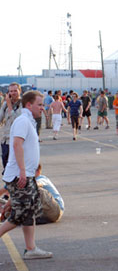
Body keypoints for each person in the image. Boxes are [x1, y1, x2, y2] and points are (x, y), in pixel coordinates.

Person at [0, 90, 53, 259]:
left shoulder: (29, 121)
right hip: (20, 176)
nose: (42, 108)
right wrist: (23, 171)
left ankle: (31, 249)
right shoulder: (23, 120)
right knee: (19, 215)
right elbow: (16, 145)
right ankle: (30, 249)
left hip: (27, 175)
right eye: (39, 104)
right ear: (29, 105)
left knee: (29, 212)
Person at [1, 163, 65, 225]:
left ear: (37, 171)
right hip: (43, 213)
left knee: (33, 189)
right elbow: (3, 190)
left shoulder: (42, 178)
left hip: (56, 211)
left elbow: (38, 184)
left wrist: (9, 203)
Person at [0, 83, 22, 169]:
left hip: (17, 141)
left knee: (16, 168)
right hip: (6, 140)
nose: (13, 93)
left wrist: (9, 106)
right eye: (11, 91)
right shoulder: (5, 105)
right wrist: (7, 104)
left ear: (20, 91)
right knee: (6, 168)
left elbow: (17, 121)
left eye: (15, 91)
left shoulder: (22, 105)